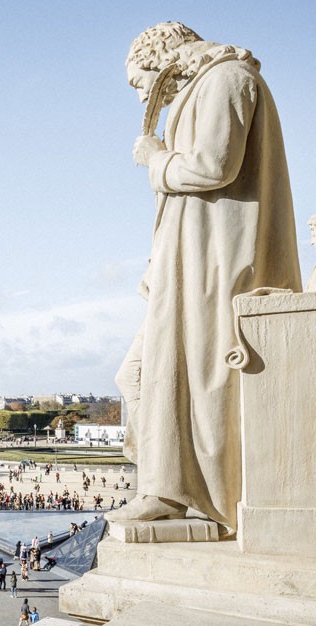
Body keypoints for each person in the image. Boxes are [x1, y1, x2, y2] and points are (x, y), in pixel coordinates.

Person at [111, 22, 302, 530]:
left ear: (161, 56)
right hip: (186, 260)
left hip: (214, 261)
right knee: (142, 374)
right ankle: (166, 483)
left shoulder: (228, 78)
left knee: (189, 376)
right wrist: (157, 261)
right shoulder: (204, 87)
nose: (141, 96)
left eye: (138, 83)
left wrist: (154, 160)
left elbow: (213, 167)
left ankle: (176, 492)